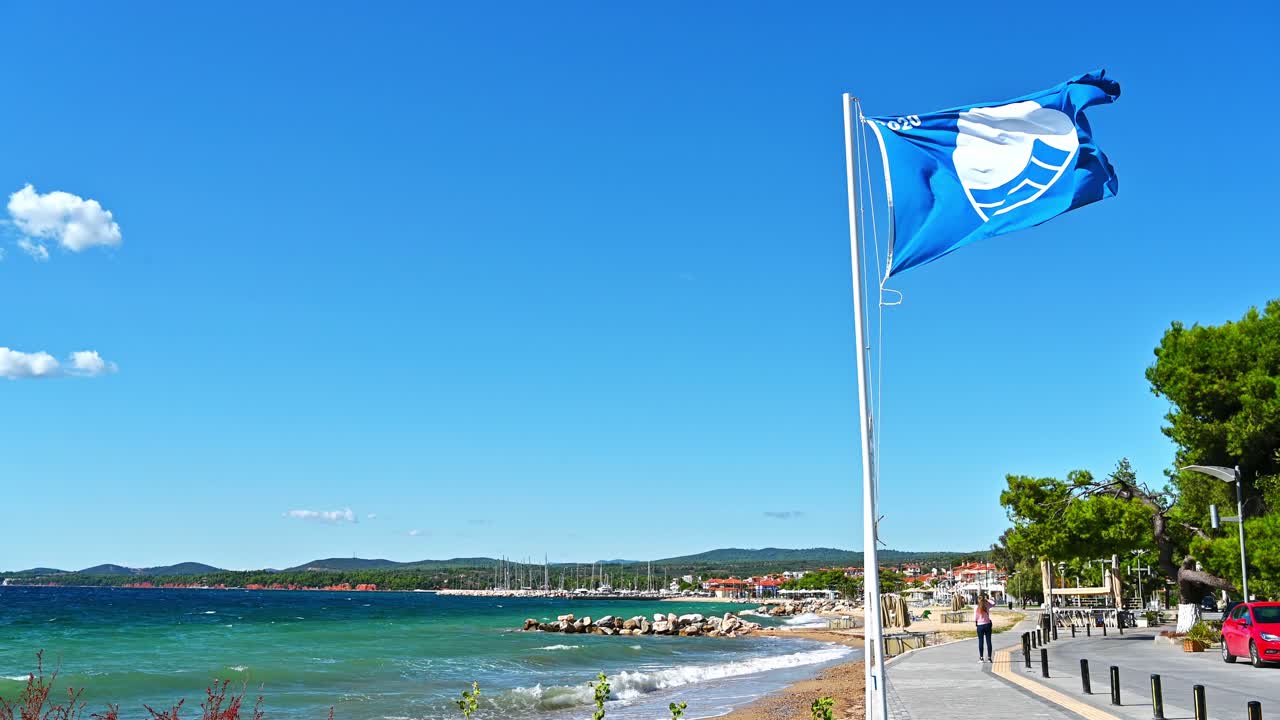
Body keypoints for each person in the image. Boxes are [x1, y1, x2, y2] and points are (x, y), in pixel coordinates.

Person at [975, 592, 993, 662]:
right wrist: (987, 599)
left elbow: (975, 617)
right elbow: (994, 603)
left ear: (978, 600)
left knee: (981, 641)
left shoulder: (976, 607)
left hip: (980, 625)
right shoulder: (987, 605)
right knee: (989, 641)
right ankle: (989, 658)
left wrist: (976, 622)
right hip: (987, 624)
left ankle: (981, 658)